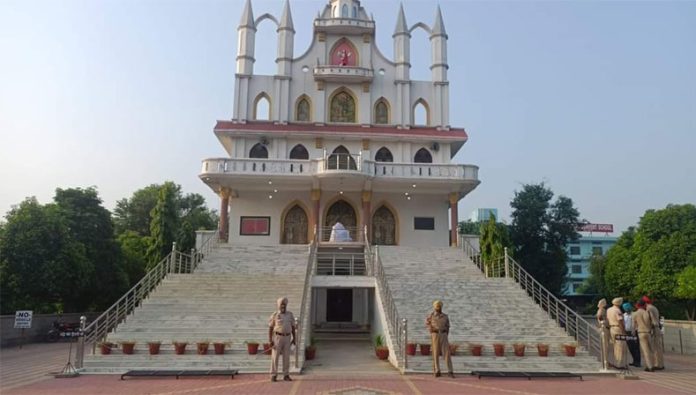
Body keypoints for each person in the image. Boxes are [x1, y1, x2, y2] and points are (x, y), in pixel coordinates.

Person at [268, 297, 296, 382]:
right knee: (275, 357)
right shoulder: (275, 315)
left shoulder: (290, 314)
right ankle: (273, 375)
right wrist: (270, 340)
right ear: (278, 306)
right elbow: (270, 328)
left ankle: (286, 375)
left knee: (286, 357)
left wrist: (294, 338)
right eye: (281, 305)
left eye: (284, 305)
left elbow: (293, 327)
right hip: (277, 337)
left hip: (287, 337)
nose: (283, 307)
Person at [425, 300, 454, 378]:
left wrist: (445, 334)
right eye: (437, 307)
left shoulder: (445, 316)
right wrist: (431, 330)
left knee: (447, 353)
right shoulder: (431, 316)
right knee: (435, 353)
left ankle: (450, 371)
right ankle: (437, 370)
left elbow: (448, 326)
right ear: (434, 307)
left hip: (443, 334)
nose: (438, 308)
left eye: (439, 306)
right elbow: (427, 324)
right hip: (435, 334)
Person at [643, 296, 665, 370]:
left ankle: (657, 364)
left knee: (654, 347)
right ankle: (660, 363)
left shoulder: (648, 308)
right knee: (658, 346)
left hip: (654, 328)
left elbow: (649, 319)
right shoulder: (653, 307)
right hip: (657, 327)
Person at [607, 297, 628, 369]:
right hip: (618, 328)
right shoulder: (617, 310)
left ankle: (616, 361)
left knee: (615, 346)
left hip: (611, 328)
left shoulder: (609, 309)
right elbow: (620, 321)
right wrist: (623, 331)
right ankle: (620, 364)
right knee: (620, 346)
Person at [634, 300, 655, 372]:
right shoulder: (647, 312)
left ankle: (649, 366)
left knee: (645, 350)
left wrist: (634, 332)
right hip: (648, 332)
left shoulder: (635, 313)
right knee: (651, 349)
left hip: (640, 332)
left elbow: (633, 324)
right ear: (644, 305)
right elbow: (652, 322)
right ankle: (652, 364)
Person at [596, 298, 614, 368]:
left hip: (604, 328)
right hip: (604, 328)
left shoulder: (601, 310)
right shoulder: (602, 310)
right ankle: (605, 362)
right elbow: (600, 317)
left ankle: (606, 361)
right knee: (605, 346)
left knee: (606, 346)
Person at [622, 302, 640, 367]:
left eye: (628, 308)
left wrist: (635, 330)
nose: (627, 310)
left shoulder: (634, 314)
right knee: (630, 347)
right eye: (625, 309)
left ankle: (638, 362)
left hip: (634, 332)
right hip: (627, 332)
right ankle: (634, 360)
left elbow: (637, 323)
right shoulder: (624, 315)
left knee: (636, 347)